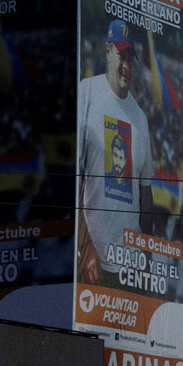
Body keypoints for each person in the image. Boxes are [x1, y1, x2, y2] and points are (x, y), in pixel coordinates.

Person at [77, 19, 157, 290]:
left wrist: (147, 255)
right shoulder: (86, 93)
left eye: (131, 58)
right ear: (108, 51)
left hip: (130, 266)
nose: (127, 65)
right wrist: (85, 246)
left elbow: (145, 194)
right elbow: (74, 178)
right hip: (93, 260)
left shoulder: (140, 119)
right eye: (121, 55)